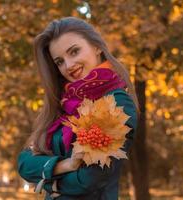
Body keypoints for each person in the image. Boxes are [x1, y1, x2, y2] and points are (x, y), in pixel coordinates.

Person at [17, 16, 139, 200]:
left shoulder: (116, 103)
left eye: (74, 52)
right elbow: (25, 163)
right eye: (59, 61)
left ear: (97, 46)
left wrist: (50, 183)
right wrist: (64, 165)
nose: (68, 66)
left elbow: (88, 180)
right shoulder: (64, 105)